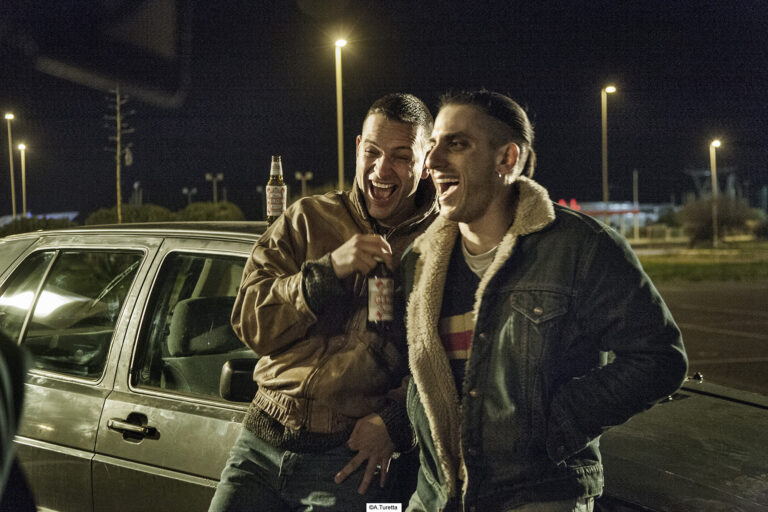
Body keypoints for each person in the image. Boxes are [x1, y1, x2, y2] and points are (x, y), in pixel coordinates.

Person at [401, 90, 688, 512]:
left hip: (539, 495)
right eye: (433, 145)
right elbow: (417, 377)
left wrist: (558, 424)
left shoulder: (582, 247)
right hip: (438, 496)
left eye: (457, 144)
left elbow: (660, 358)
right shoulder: (419, 260)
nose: (433, 160)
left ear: (507, 159)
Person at [209, 92, 437, 511]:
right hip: (259, 445)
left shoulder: (442, 247)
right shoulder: (306, 218)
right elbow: (249, 322)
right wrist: (327, 272)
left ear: (427, 161)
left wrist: (395, 423)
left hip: (351, 463)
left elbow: (452, 364)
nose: (381, 169)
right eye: (372, 151)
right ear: (358, 147)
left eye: (402, 156)